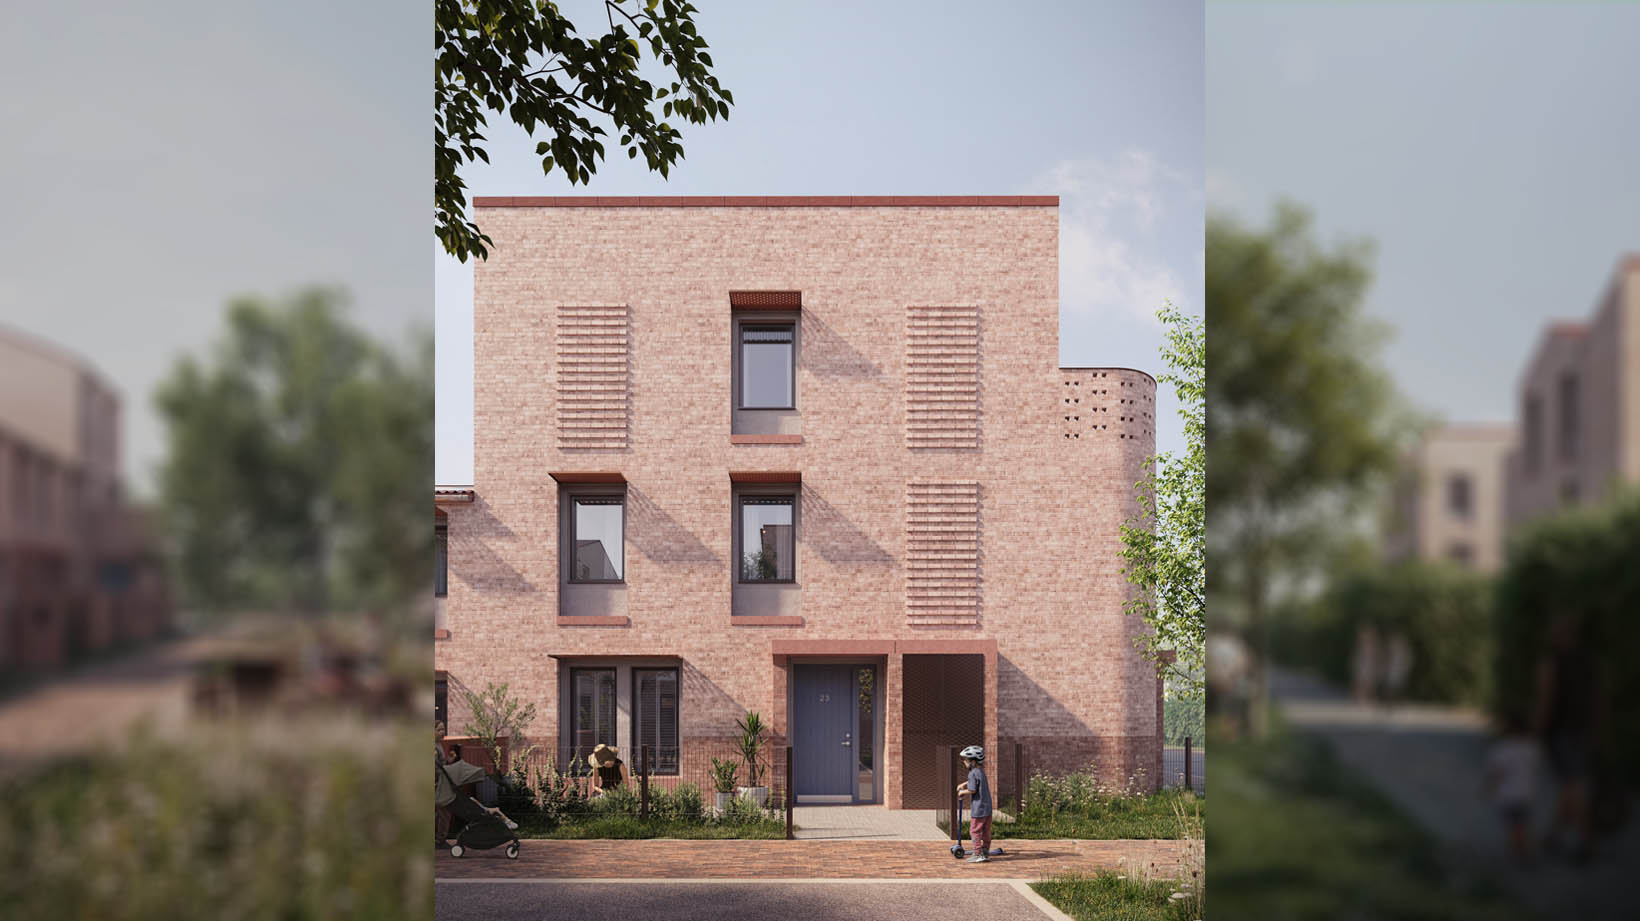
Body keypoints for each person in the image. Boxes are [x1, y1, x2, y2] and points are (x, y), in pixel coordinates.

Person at [1534, 611, 1601, 863]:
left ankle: (1586, 840)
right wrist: (1597, 731)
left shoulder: (1553, 661)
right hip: (1582, 730)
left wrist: (1536, 732)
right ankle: (1553, 836)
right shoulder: (1589, 660)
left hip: (1561, 731)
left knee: (1571, 787)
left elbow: (1546, 699)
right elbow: (1598, 698)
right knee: (1569, 785)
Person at [1484, 714, 1538, 866]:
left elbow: (1497, 773)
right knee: (1522, 824)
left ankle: (1519, 855)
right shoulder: (1532, 747)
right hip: (1527, 793)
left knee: (1514, 826)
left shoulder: (1503, 749)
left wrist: (1488, 788)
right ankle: (1522, 851)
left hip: (1509, 795)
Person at [955, 744, 993, 863]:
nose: (964, 762)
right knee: (986, 830)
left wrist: (962, 792)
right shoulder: (980, 771)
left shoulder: (972, 773)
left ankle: (978, 854)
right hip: (987, 808)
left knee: (975, 831)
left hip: (978, 809)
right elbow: (975, 781)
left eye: (966, 760)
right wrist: (964, 784)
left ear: (973, 761)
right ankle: (985, 850)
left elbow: (973, 790)